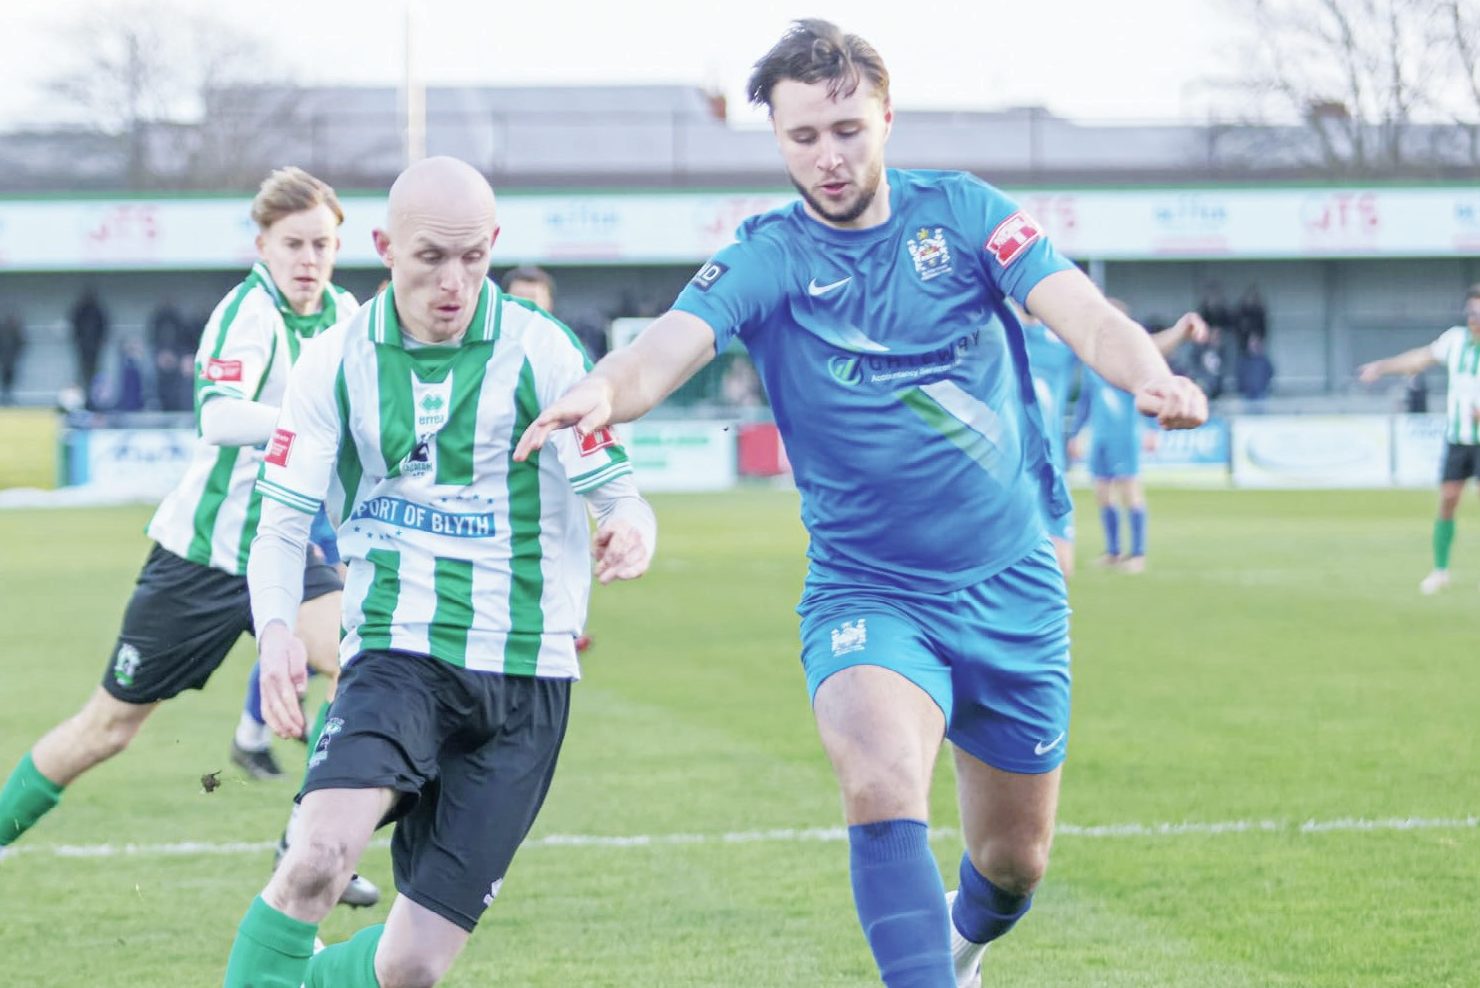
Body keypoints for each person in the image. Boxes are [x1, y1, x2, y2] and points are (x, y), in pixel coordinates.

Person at [513, 21, 1207, 987]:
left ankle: (963, 945)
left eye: (846, 130)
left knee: (1015, 865)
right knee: (880, 779)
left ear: (886, 116)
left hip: (1013, 580)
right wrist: (604, 388)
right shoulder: (767, 257)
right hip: (869, 590)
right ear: (777, 139)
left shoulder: (965, 214)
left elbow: (1083, 312)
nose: (828, 157)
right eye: (803, 137)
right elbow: (666, 345)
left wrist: (1148, 376)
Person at [222, 156, 656, 988]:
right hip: (398, 651)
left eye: (473, 257)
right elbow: (279, 523)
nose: (453, 282)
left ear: (493, 243)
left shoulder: (543, 351)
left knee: (411, 965)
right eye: (430, 258)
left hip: (527, 675)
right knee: (316, 859)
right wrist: (276, 628)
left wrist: (630, 528)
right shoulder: (336, 361)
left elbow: (618, 492)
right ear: (385, 248)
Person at [0, 169, 375, 919]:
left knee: (361, 668)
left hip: (286, 545)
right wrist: (307, 427)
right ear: (262, 246)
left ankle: (305, 843)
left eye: (323, 245)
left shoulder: (345, 315)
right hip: (201, 560)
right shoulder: (246, 314)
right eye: (294, 244)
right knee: (108, 728)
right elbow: (217, 417)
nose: (309, 259)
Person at [1031, 304, 1206, 578]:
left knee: (1128, 492)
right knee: (1103, 493)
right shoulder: (998, 334)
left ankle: (1137, 554)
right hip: (1095, 437)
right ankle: (1113, 551)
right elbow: (1086, 403)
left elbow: (1142, 355)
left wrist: (1177, 332)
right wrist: (1077, 433)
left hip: (1122, 436)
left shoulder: (1090, 353)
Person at [1359, 284, 1480, 594]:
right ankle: (1440, 571)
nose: (1474, 317)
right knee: (1448, 498)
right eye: (1471, 310)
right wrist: (1383, 367)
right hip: (1459, 437)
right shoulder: (1455, 341)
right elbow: (1420, 358)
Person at [503, 264, 595, 652]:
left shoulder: (564, 357)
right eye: (519, 300)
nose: (527, 310)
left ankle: (559, 630)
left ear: (550, 305)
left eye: (535, 301)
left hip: (547, 492)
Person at [69, 287, 110, 409]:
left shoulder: (89, 311)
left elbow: (103, 327)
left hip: (91, 348)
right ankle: (84, 402)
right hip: (86, 348)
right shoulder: (87, 310)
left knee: (91, 376)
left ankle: (93, 402)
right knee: (86, 375)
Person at [1236, 333, 1274, 403]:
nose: (1253, 344)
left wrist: (1264, 387)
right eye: (1251, 342)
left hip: (1261, 395)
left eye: (1255, 342)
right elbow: (1239, 375)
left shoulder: (1264, 361)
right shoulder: (1243, 361)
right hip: (1246, 396)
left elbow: (1270, 373)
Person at [0, 311, 25, 404]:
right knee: (7, 377)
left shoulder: (15, 332)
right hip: (7, 359)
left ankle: (7, 395)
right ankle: (6, 395)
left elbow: (21, 343)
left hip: (10, 359)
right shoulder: (5, 331)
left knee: (9, 377)